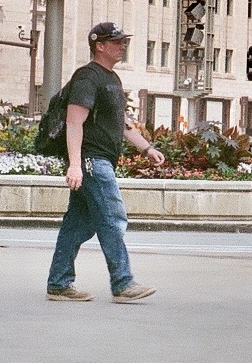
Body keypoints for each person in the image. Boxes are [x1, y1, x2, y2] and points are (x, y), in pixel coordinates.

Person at [45, 22, 165, 302]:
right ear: (100, 45)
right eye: (117, 42)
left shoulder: (112, 79)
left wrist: (147, 148)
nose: (122, 46)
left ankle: (59, 283)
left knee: (77, 226)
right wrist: (75, 164)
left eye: (123, 42)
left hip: (100, 160)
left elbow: (122, 123)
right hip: (91, 161)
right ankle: (123, 283)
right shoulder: (88, 77)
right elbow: (75, 122)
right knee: (113, 218)